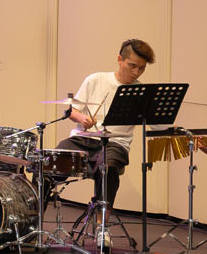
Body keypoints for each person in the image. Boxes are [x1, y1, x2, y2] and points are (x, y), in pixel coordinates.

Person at [66, 38, 158, 213]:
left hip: (115, 144)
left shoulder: (142, 92)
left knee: (108, 168)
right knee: (45, 163)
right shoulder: (96, 79)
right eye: (132, 66)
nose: (136, 72)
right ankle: (32, 220)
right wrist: (82, 118)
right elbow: (72, 111)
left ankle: (102, 223)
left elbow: (161, 125)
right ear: (119, 59)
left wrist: (194, 138)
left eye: (142, 68)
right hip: (83, 139)